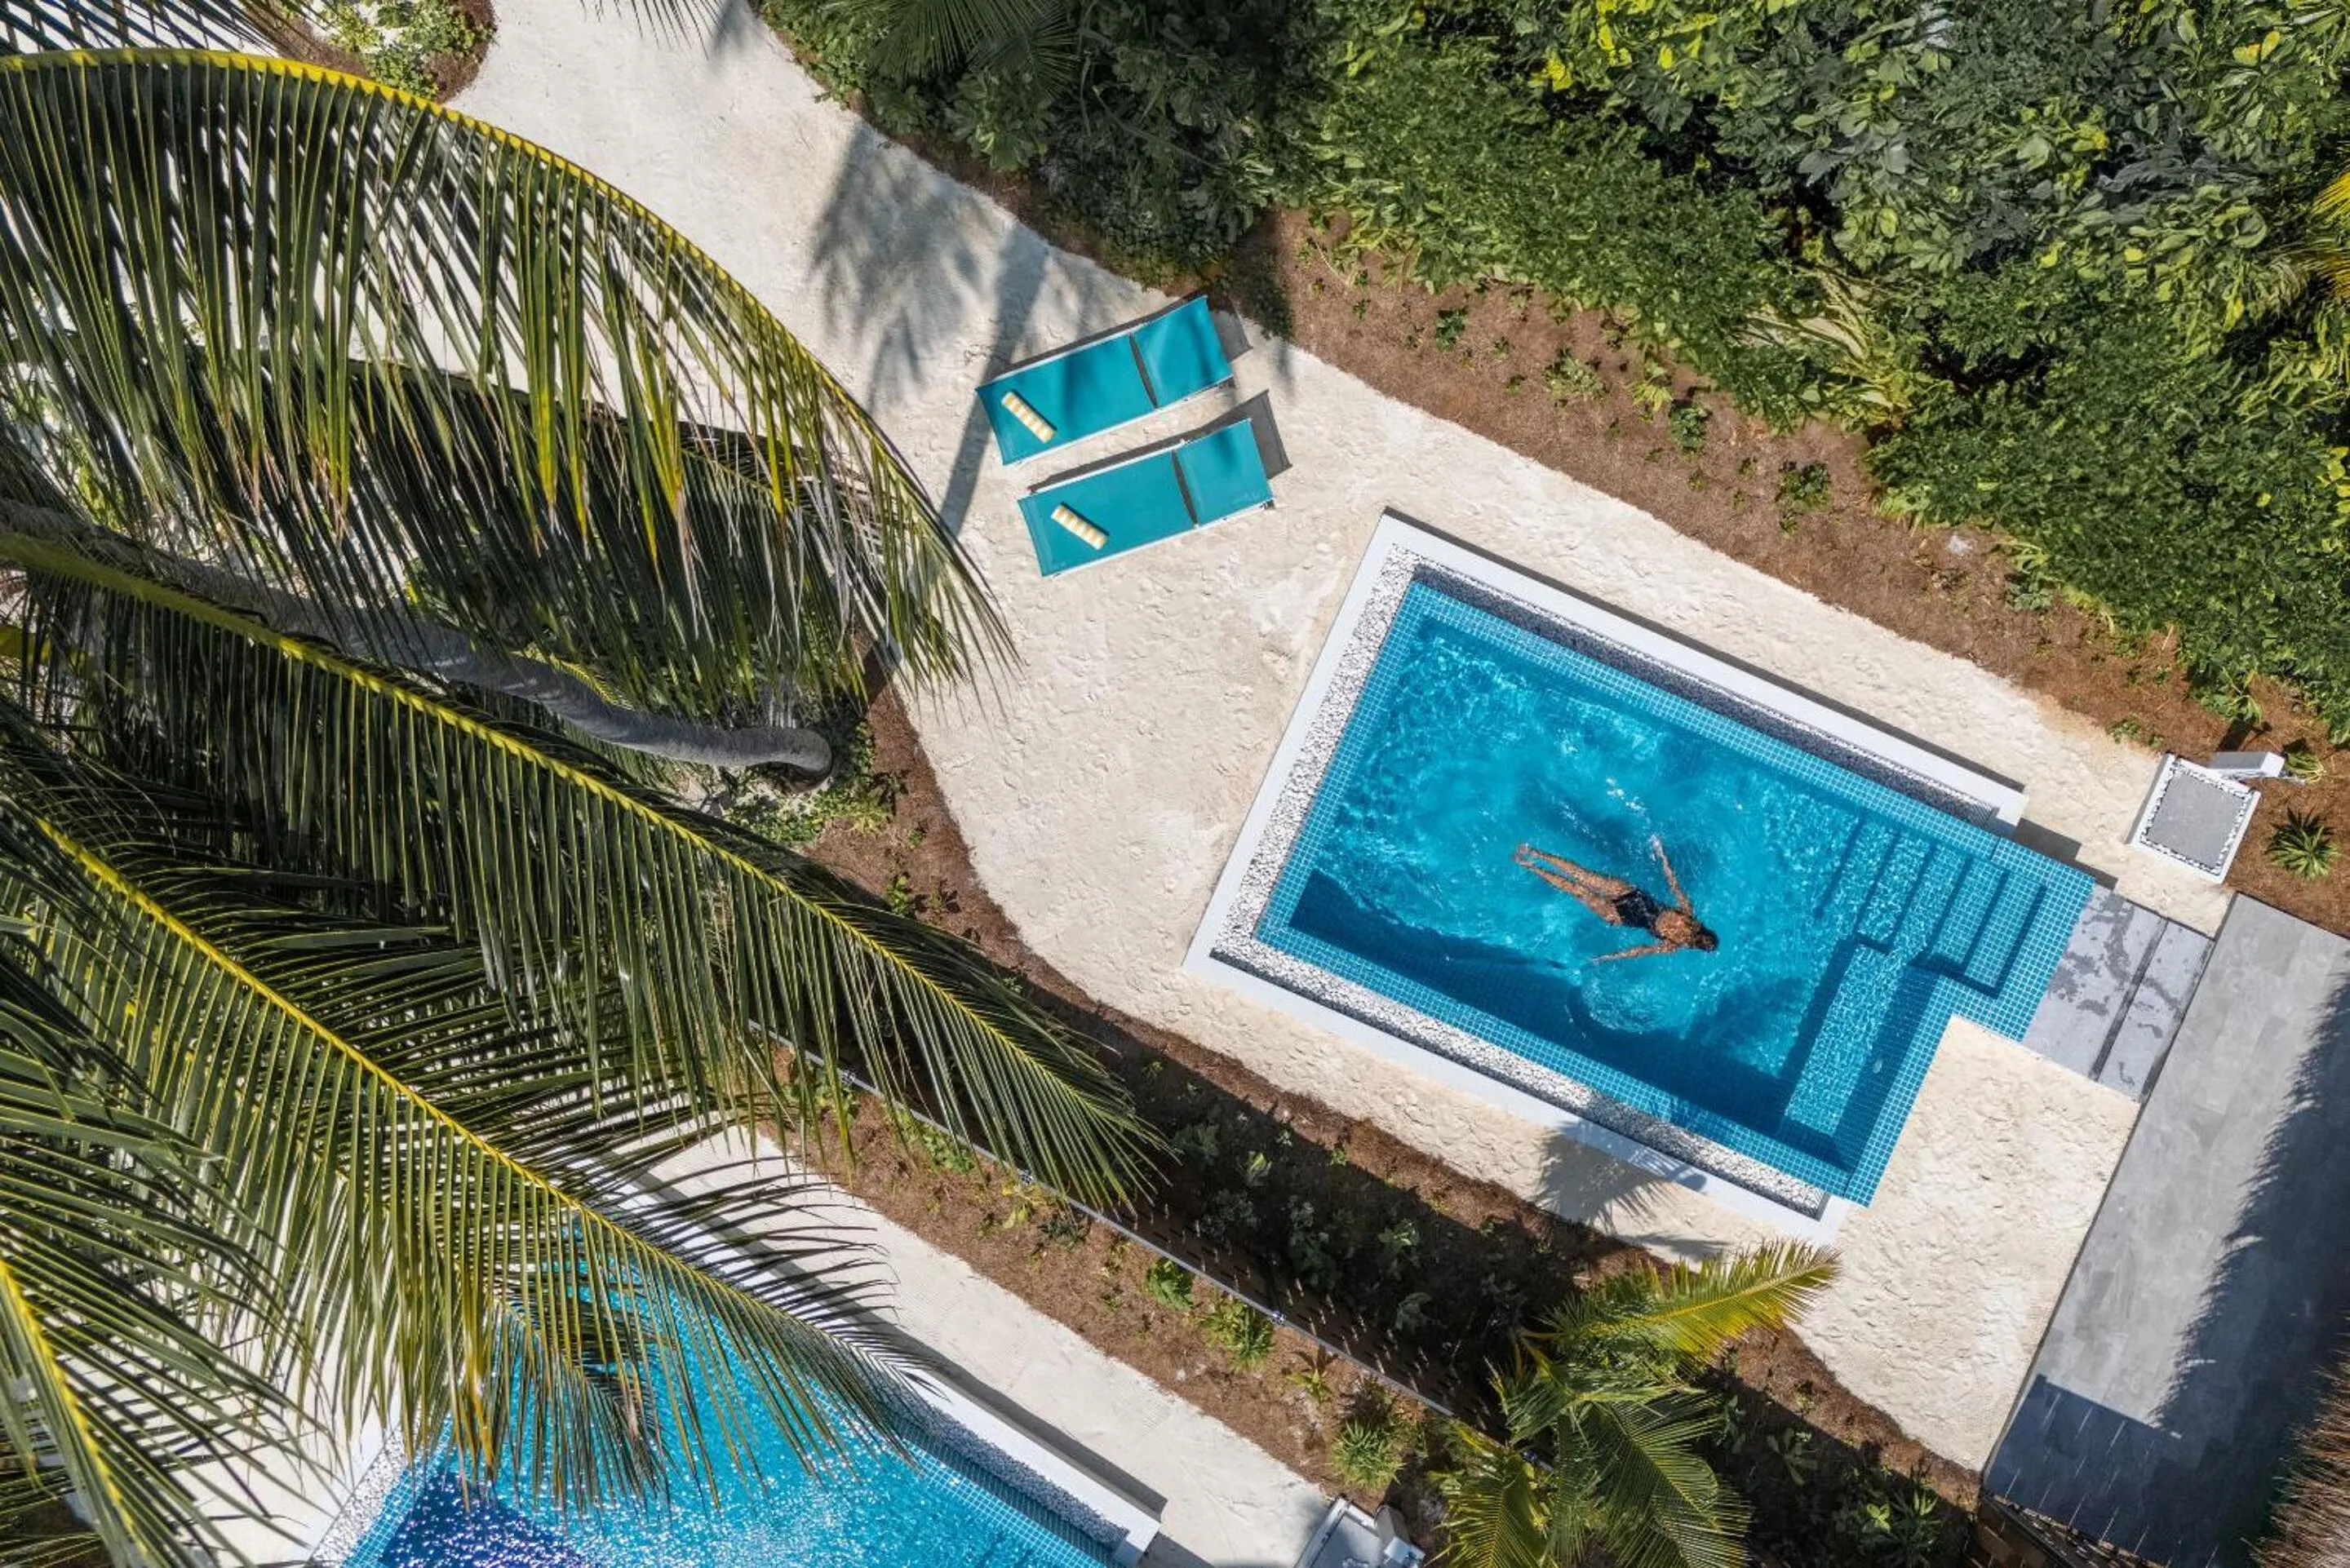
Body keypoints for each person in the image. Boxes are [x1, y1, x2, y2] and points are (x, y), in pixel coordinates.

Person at [1514, 835, 1718, 962]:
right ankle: (1532, 864)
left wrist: (1662, 855)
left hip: (1630, 898)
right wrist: (1608, 957)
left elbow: (1673, 882)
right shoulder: (1674, 944)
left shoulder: (1687, 915)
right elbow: (1639, 951)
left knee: (1580, 877)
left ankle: (1535, 855)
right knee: (1577, 887)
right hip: (1622, 913)